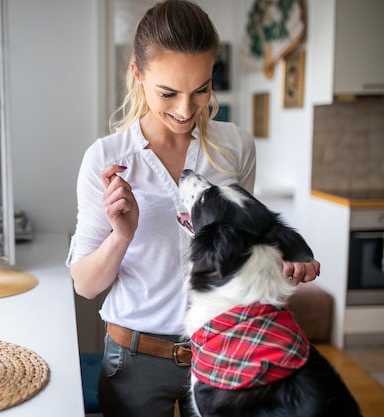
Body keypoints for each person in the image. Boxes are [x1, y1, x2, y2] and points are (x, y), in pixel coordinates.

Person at [65, 1, 321, 416]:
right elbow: (86, 285)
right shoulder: (106, 158)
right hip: (135, 363)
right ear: (138, 74)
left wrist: (289, 258)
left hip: (227, 353)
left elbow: (240, 250)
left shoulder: (237, 145)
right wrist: (122, 236)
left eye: (201, 89)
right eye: (168, 93)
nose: (185, 110)